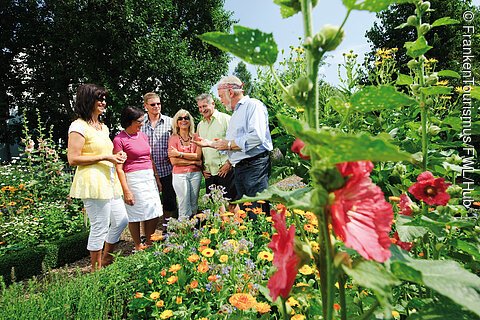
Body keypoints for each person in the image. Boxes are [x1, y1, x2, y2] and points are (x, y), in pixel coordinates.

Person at [67, 83, 128, 271]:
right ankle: (96, 270)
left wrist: (117, 157)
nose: (103, 102)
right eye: (99, 98)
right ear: (88, 100)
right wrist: (105, 156)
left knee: (121, 220)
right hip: (92, 182)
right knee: (99, 226)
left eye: (104, 98)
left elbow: (107, 152)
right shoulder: (78, 126)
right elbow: (73, 158)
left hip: (108, 180)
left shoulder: (103, 127)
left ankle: (106, 258)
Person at [195, 75, 273, 217]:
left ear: (230, 92)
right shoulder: (236, 112)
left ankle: (265, 238)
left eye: (220, 96)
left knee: (258, 211)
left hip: (254, 167)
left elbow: (257, 136)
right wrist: (211, 144)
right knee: (247, 212)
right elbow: (231, 144)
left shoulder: (253, 106)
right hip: (242, 168)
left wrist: (229, 144)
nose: (220, 100)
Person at [113, 106, 163, 251]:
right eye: (139, 121)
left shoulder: (143, 136)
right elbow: (119, 168)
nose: (142, 124)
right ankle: (137, 244)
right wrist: (126, 190)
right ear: (129, 121)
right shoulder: (119, 139)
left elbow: (150, 158)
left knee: (153, 211)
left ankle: (149, 241)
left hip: (148, 176)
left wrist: (157, 178)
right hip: (133, 178)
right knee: (135, 213)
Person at [141, 92, 177, 232]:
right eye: (153, 104)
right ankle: (147, 234)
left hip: (168, 169)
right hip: (148, 171)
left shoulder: (170, 122)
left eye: (158, 103)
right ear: (146, 106)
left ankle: (166, 228)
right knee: (148, 203)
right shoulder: (140, 123)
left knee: (169, 201)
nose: (156, 106)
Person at [195, 93, 237, 211]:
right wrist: (203, 168)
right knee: (217, 205)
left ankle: (237, 228)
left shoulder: (226, 120)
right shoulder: (200, 125)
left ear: (213, 104)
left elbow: (236, 143)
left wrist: (229, 163)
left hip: (225, 169)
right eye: (200, 107)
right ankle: (224, 229)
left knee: (232, 203)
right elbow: (201, 148)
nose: (202, 110)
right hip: (210, 172)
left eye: (205, 106)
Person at [168, 109, 203, 219]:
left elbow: (198, 156)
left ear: (190, 121)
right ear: (176, 122)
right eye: (180, 118)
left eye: (186, 118)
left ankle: (193, 231)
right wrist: (194, 161)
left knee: (194, 204)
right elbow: (174, 161)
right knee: (184, 204)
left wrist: (179, 154)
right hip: (179, 175)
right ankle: (183, 231)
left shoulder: (196, 137)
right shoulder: (173, 138)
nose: (183, 120)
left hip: (195, 174)